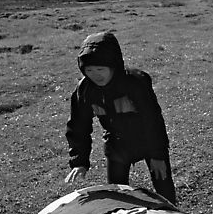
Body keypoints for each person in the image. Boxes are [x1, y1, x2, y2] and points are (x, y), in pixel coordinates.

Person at [64, 31, 177, 204]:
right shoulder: (85, 91)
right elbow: (79, 126)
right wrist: (79, 161)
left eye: (100, 69)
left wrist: (158, 155)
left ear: (113, 65)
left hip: (147, 140)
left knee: (164, 190)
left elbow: (153, 120)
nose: (95, 74)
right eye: (89, 70)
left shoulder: (135, 83)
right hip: (116, 144)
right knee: (118, 194)